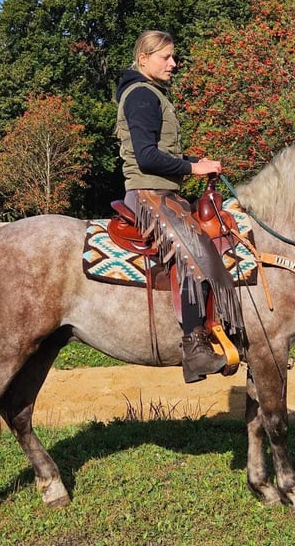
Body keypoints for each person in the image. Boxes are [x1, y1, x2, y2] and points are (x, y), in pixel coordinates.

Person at [115, 30, 243, 383]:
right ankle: (195, 347)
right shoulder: (141, 95)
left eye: (174, 58)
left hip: (163, 192)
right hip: (147, 193)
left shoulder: (151, 93)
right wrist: (192, 168)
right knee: (191, 254)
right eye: (166, 57)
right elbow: (146, 157)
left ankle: (226, 329)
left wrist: (194, 160)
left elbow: (162, 153)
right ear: (143, 59)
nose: (173, 64)